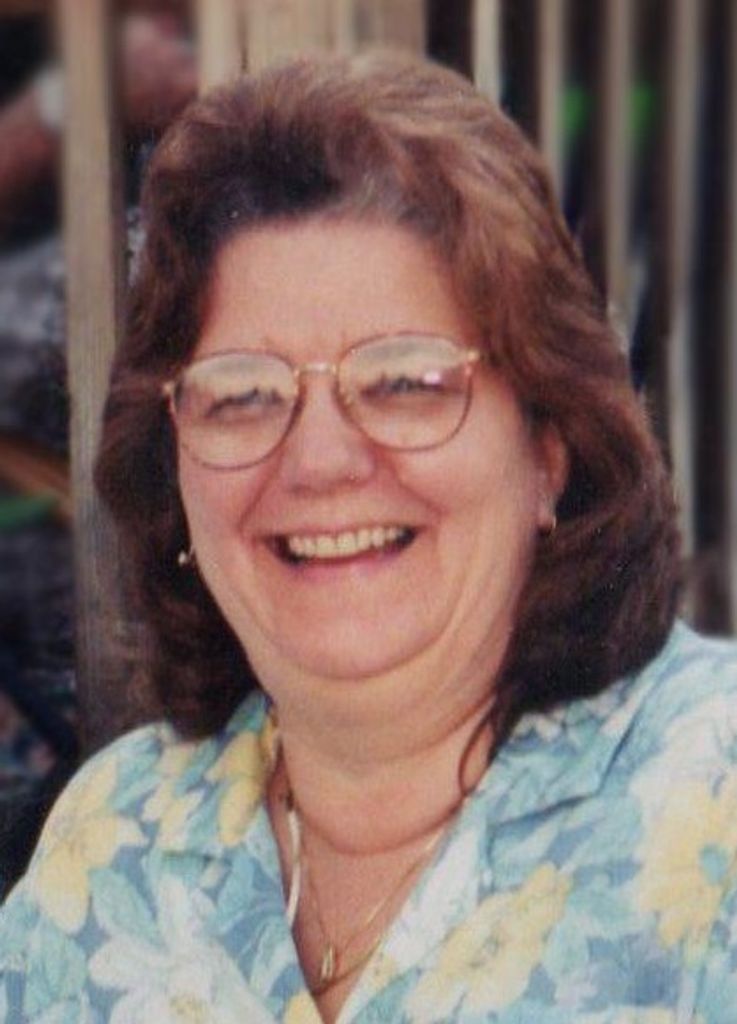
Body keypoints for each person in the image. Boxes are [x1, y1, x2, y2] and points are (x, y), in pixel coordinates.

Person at [1, 49, 736, 1024]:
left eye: (403, 382)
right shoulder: (112, 844)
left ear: (548, 453)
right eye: (242, 395)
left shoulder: (714, 797)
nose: (318, 462)